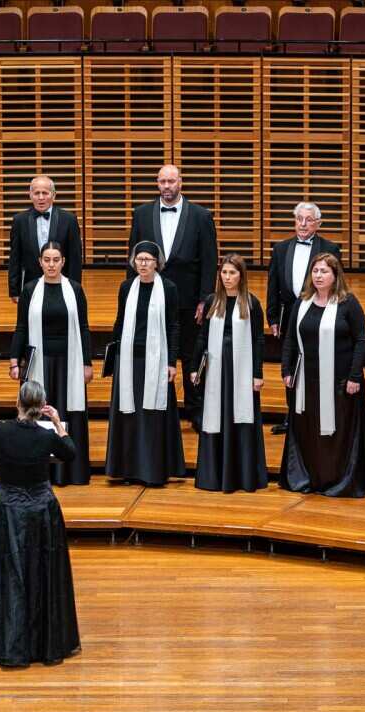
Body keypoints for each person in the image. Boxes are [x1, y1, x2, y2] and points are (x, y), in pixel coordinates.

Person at [0, 381, 80, 668]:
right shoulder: (46, 437)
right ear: (42, 407)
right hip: (41, 510)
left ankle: (7, 643)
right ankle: (41, 644)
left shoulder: (0, 431)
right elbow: (70, 452)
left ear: (18, 403)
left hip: (7, 508)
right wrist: (58, 423)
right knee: (41, 573)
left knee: (8, 576)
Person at [127, 164, 217, 428]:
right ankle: (157, 408)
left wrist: (205, 299)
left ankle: (195, 407)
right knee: (154, 349)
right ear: (157, 183)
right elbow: (133, 256)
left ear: (181, 183)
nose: (167, 186)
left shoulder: (201, 215)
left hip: (190, 298)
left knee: (191, 353)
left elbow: (209, 261)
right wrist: (132, 294)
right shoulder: (142, 214)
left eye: (171, 181)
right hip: (152, 295)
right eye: (162, 182)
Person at [279, 253, 365, 497]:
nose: (319, 276)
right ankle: (309, 477)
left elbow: (361, 340)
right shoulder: (301, 303)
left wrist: (355, 376)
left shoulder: (348, 303)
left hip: (340, 383)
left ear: (335, 276)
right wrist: (287, 370)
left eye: (324, 271)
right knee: (309, 431)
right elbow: (290, 338)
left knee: (337, 434)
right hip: (307, 382)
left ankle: (339, 480)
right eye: (315, 271)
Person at [10, 242, 93, 486]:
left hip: (69, 362)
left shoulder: (75, 289)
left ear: (63, 262)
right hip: (39, 363)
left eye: (56, 259)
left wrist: (87, 363)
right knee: (39, 412)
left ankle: (70, 472)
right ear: (40, 262)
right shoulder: (30, 289)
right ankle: (41, 471)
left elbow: (85, 328)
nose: (51, 264)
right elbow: (22, 327)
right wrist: (15, 359)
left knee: (68, 413)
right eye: (47, 260)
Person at [104, 241, 185, 487]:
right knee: (128, 416)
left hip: (156, 361)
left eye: (148, 259)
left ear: (157, 263)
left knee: (152, 416)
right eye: (139, 259)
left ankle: (153, 471)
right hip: (129, 361)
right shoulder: (126, 287)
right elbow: (120, 322)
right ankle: (128, 470)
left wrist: (171, 361)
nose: (143, 264)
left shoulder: (169, 288)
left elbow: (174, 326)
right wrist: (113, 356)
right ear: (133, 262)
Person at [190, 254, 267, 493]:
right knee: (216, 415)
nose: (227, 277)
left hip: (241, 370)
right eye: (224, 273)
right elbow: (202, 337)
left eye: (232, 273)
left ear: (241, 276)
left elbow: (258, 340)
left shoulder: (251, 303)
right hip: (216, 368)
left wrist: (257, 373)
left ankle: (241, 476)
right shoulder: (213, 300)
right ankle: (214, 476)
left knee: (240, 417)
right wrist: (194, 367)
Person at [265, 201, 341, 434]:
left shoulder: (330, 248)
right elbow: (273, 285)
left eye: (309, 220)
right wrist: (273, 316)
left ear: (318, 223)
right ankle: (292, 418)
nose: (303, 224)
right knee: (290, 367)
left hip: (319, 314)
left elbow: (338, 284)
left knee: (316, 364)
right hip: (289, 315)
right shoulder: (280, 248)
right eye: (299, 219)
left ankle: (316, 416)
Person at [7, 175, 83, 302]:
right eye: (37, 193)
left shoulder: (69, 220)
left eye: (45, 193)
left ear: (54, 195)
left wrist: (75, 288)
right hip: (30, 287)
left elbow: (75, 259)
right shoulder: (19, 220)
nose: (41, 197)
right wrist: (14, 290)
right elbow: (15, 258)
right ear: (30, 195)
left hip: (62, 286)